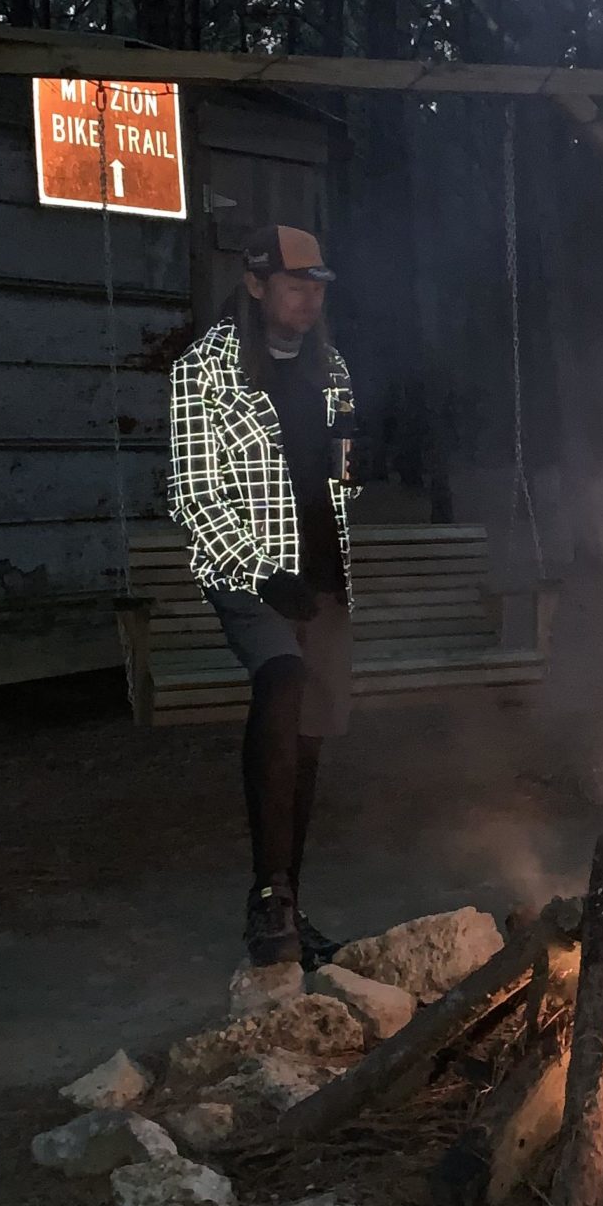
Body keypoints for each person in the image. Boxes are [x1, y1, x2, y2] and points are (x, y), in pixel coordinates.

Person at [169, 224, 356, 968]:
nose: (308, 298)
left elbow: (342, 471)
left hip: (322, 576)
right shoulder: (204, 373)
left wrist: (340, 510)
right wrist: (260, 571)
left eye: (317, 286)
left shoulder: (332, 369)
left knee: (307, 742)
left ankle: (289, 905)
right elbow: (195, 495)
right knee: (282, 681)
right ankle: (269, 894)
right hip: (249, 574)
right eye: (293, 284)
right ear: (255, 285)